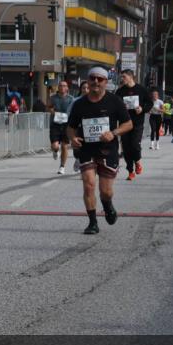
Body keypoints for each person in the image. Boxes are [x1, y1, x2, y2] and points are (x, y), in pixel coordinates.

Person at [68, 67, 133, 235]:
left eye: (100, 79)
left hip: (107, 150)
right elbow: (71, 127)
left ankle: (107, 205)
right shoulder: (79, 104)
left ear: (106, 82)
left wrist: (113, 133)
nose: (95, 81)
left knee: (106, 191)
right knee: (89, 185)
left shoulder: (115, 101)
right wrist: (73, 138)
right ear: (88, 81)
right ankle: (92, 222)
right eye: (92, 78)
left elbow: (128, 124)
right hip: (86, 149)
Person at [115, 70, 149, 180]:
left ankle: (138, 162)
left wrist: (142, 109)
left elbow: (150, 103)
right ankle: (130, 171)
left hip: (137, 122)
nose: (122, 79)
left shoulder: (141, 89)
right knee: (126, 148)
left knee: (134, 144)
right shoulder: (120, 91)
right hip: (124, 123)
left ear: (130, 77)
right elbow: (115, 106)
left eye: (124, 77)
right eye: (121, 77)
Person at [47, 81, 75, 175]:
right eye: (60, 86)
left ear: (67, 88)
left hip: (66, 125)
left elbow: (74, 110)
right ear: (58, 87)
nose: (62, 87)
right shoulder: (53, 98)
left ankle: (62, 166)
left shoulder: (71, 99)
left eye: (64, 86)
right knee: (55, 146)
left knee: (64, 146)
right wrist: (53, 112)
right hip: (55, 124)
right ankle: (55, 151)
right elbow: (49, 107)